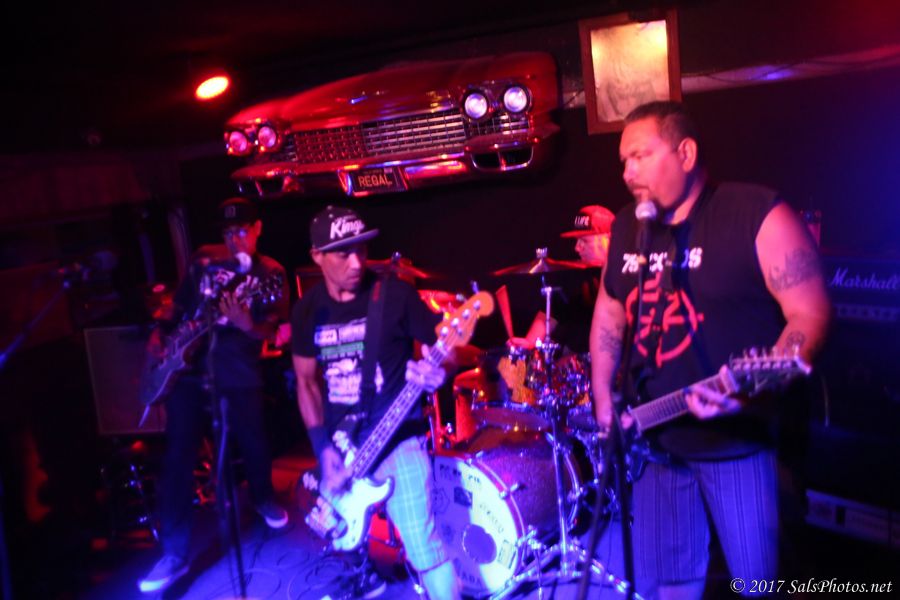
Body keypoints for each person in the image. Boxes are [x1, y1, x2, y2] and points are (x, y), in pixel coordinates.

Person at [589, 101, 830, 599]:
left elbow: (809, 314)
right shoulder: (628, 227)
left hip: (737, 443)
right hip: (654, 441)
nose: (628, 172)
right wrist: (602, 396)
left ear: (686, 153)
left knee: (757, 585)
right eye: (623, 160)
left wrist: (754, 388)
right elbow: (610, 312)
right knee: (668, 587)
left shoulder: (756, 213)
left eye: (640, 156)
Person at [291, 206, 460, 600]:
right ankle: (363, 575)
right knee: (342, 533)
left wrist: (441, 369)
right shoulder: (306, 310)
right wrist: (322, 448)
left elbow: (449, 349)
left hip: (398, 436)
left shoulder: (396, 295)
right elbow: (306, 382)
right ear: (316, 256)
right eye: (343, 253)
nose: (357, 263)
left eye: (362, 250)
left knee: (423, 545)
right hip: (342, 444)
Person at [138, 198, 290, 594]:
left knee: (253, 440)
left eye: (242, 231)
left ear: (257, 229)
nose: (235, 239)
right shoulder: (204, 259)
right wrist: (160, 333)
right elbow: (179, 305)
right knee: (177, 457)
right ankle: (174, 553)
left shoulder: (270, 273)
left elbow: (273, 331)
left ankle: (263, 497)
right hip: (188, 372)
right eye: (228, 233)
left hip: (237, 372)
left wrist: (246, 323)